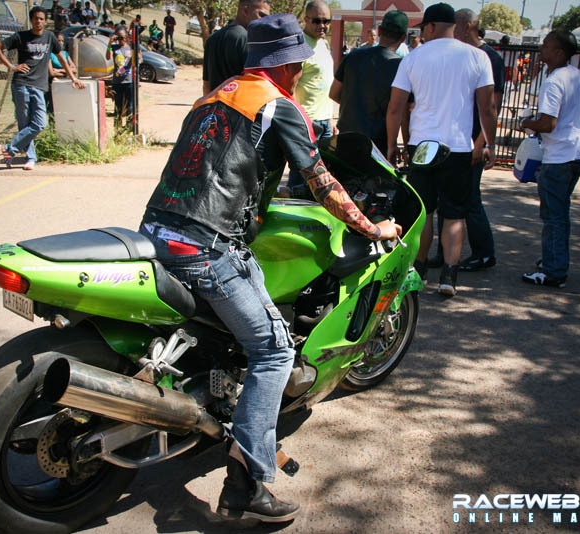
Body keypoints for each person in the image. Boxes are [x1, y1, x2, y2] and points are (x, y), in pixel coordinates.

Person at [139, 13, 401, 522]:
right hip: (206, 247)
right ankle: (247, 486)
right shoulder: (281, 108)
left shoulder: (213, 96)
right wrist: (372, 227)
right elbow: (321, 181)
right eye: (300, 61)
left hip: (155, 232)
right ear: (292, 64)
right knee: (274, 351)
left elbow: (223, 163)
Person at [386, 2, 496, 296]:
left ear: (430, 27)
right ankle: (449, 276)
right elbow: (487, 107)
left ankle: (419, 270)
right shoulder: (478, 57)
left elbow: (395, 109)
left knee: (425, 212)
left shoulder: (412, 58)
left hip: (422, 146)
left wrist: (390, 146)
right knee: (455, 214)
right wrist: (489, 144)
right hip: (458, 147)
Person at [519, 30, 580, 288]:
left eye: (547, 46)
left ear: (559, 52)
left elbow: (548, 123)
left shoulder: (554, 80)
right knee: (560, 212)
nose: (542, 49)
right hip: (579, 152)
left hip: (560, 155)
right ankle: (554, 259)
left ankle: (553, 272)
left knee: (553, 215)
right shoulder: (578, 76)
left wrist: (526, 123)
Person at [0, 6, 85, 171]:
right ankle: (30, 158)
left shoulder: (49, 37)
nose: (38, 21)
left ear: (45, 20)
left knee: (39, 123)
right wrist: (12, 66)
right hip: (20, 84)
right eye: (35, 18)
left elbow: (61, 58)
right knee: (24, 124)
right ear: (31, 20)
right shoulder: (21, 37)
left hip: (38, 86)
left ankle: (9, 150)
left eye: (42, 18)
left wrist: (73, 78)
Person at [452, 8, 504, 272]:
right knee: (452, 199)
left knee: (471, 199)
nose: (453, 33)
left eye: (456, 27)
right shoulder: (465, 56)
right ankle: (448, 253)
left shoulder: (490, 58)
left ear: (468, 26)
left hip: (473, 141)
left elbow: (492, 106)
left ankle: (484, 253)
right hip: (457, 141)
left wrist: (482, 142)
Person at [329, 10, 408, 157]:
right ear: (403, 37)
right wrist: (395, 145)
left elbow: (333, 93)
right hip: (378, 143)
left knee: (345, 179)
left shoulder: (353, 56)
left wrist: (354, 105)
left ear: (379, 31)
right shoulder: (401, 66)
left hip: (347, 137)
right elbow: (399, 111)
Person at [288, 0, 335, 188]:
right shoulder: (298, 46)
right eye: (316, 21)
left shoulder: (324, 44)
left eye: (326, 21)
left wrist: (331, 118)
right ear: (306, 20)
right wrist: (297, 121)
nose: (322, 26)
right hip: (306, 122)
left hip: (325, 123)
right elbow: (289, 88)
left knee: (322, 178)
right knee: (301, 175)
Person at [202, 0, 271, 95]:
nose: (264, 22)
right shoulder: (247, 40)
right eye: (261, 15)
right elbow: (259, 86)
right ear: (245, 10)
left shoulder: (213, 38)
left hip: (216, 107)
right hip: (239, 107)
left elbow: (207, 85)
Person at [106, 27, 134, 127]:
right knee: (118, 107)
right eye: (118, 37)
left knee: (130, 107)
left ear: (126, 36)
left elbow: (139, 59)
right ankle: (117, 128)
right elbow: (108, 56)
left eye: (122, 37)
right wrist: (110, 43)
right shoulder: (114, 48)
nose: (120, 40)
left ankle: (129, 127)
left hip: (129, 81)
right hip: (117, 82)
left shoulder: (130, 47)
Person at [46, 32, 78, 113]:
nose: (60, 43)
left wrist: (59, 70)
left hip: (65, 83)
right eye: (58, 41)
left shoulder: (65, 54)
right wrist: (68, 71)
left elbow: (75, 70)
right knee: (53, 108)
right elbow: (52, 73)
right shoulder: (49, 54)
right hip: (53, 84)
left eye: (62, 41)